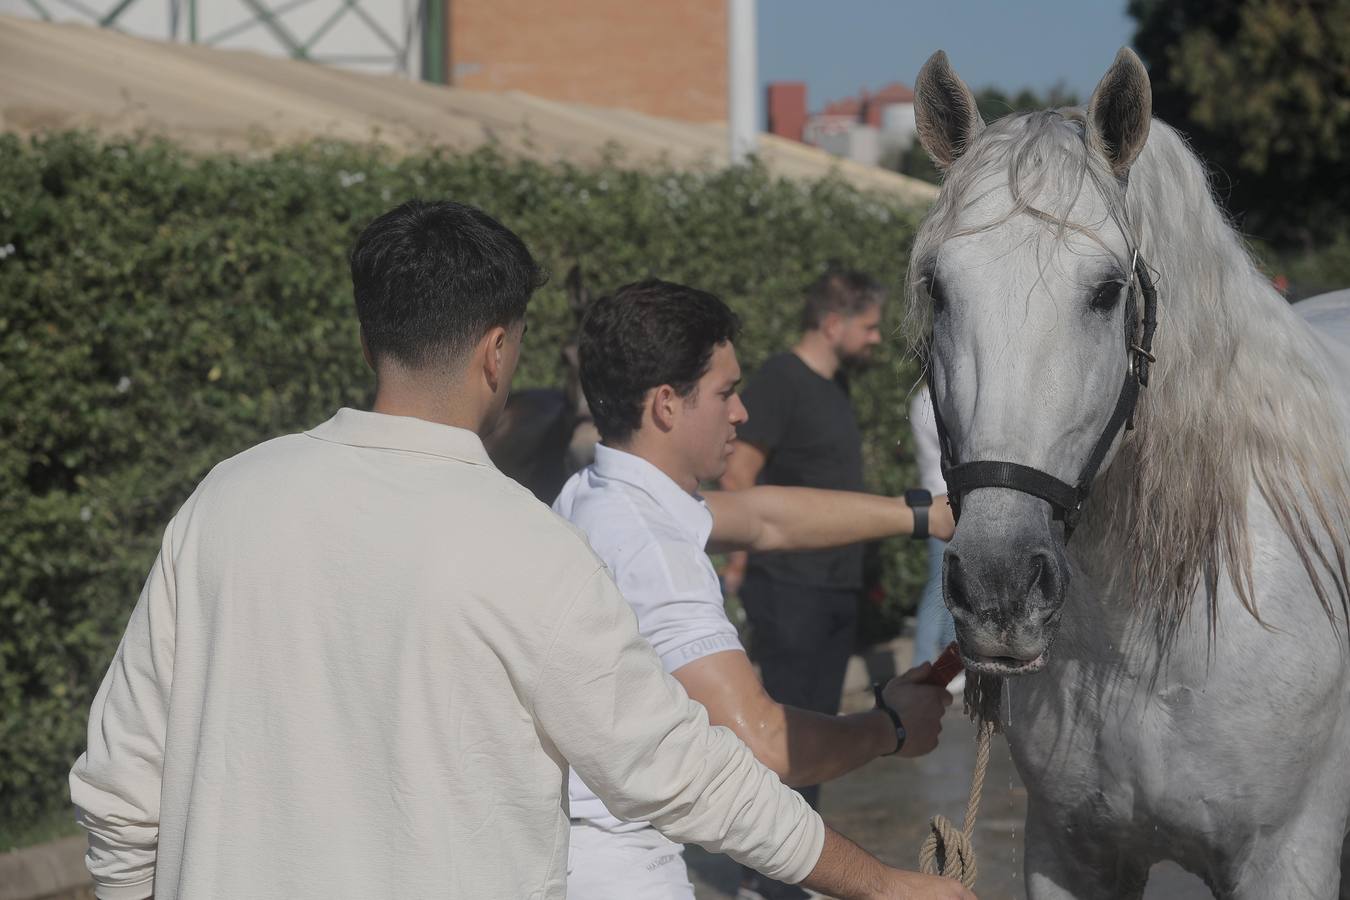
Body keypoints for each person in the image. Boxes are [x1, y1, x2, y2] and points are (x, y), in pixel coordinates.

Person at [67, 201, 971, 900]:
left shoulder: (225, 499)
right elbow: (689, 773)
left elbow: (118, 788)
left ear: (370, 337)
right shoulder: (528, 545)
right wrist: (884, 883)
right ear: (497, 352)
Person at [557, 279, 968, 900]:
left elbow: (764, 518)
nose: (741, 413)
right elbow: (763, 743)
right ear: (666, 405)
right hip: (620, 872)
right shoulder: (651, 548)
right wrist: (890, 728)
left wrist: (923, 514)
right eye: (725, 393)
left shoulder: (597, 491)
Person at [720, 268, 923, 899]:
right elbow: (738, 475)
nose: (877, 339)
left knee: (814, 731)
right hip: (789, 587)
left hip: (832, 587)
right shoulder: (781, 380)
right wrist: (738, 561)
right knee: (785, 734)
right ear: (833, 324)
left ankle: (790, 862)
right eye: (869, 326)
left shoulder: (835, 386)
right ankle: (765, 875)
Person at [909, 382, 958, 667]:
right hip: (942, 503)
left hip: (941, 499)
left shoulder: (925, 398)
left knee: (949, 584)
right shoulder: (930, 400)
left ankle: (951, 659)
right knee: (938, 588)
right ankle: (923, 659)